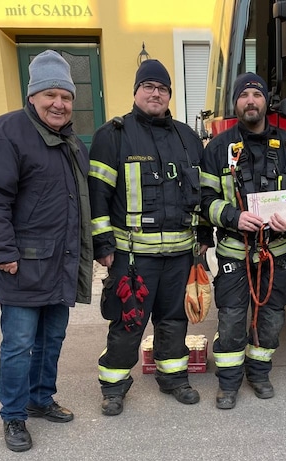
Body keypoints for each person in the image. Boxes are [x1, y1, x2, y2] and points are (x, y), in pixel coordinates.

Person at [0, 50, 93, 452]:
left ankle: (40, 399)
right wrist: (1, 251)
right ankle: (14, 416)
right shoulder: (7, 133)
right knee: (19, 343)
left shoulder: (70, 141)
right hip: (20, 264)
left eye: (66, 97)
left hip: (59, 263)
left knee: (51, 338)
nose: (59, 104)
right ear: (33, 95)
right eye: (51, 95)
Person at [89, 59, 210, 416]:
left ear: (170, 95)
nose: (156, 93)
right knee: (129, 321)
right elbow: (98, 195)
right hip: (132, 255)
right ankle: (114, 386)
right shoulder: (113, 135)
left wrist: (204, 232)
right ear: (136, 92)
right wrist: (103, 245)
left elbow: (203, 191)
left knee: (174, 320)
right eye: (149, 87)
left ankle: (173, 377)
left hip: (179, 254)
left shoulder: (187, 137)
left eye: (163, 88)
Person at [200, 72, 286, 409]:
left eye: (256, 94)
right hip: (235, 251)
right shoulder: (218, 148)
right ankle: (229, 384)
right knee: (232, 319)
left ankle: (260, 374)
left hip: (277, 253)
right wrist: (235, 217)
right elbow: (204, 200)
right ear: (236, 103)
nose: (250, 100)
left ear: (266, 102)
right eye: (244, 95)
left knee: (272, 318)